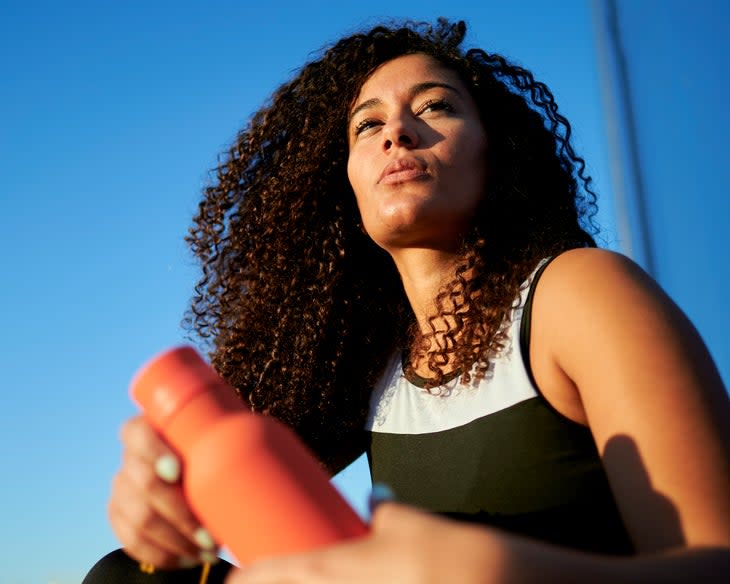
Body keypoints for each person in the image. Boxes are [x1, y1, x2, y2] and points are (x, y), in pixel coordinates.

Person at [83, 18, 730, 584]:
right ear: (344, 186)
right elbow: (225, 478)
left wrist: (501, 574)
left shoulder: (579, 293)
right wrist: (160, 488)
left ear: (496, 153)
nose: (397, 131)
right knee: (128, 578)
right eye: (368, 125)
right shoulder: (365, 361)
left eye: (436, 107)